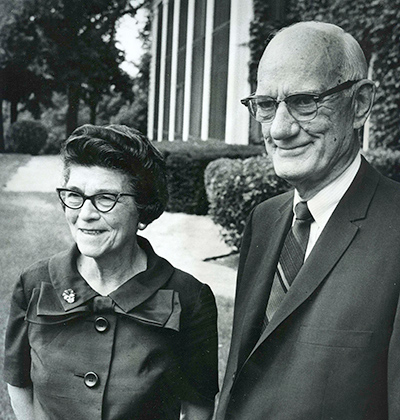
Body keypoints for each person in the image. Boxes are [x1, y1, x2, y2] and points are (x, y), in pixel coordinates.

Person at [216, 21, 400, 420]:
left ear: (360, 104)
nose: (279, 129)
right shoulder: (264, 221)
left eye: (305, 101)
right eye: (266, 105)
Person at [4, 124, 218, 420]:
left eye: (106, 198)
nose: (86, 214)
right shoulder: (34, 285)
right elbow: (18, 382)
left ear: (142, 208)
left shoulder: (189, 297)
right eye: (75, 195)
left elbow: (198, 406)